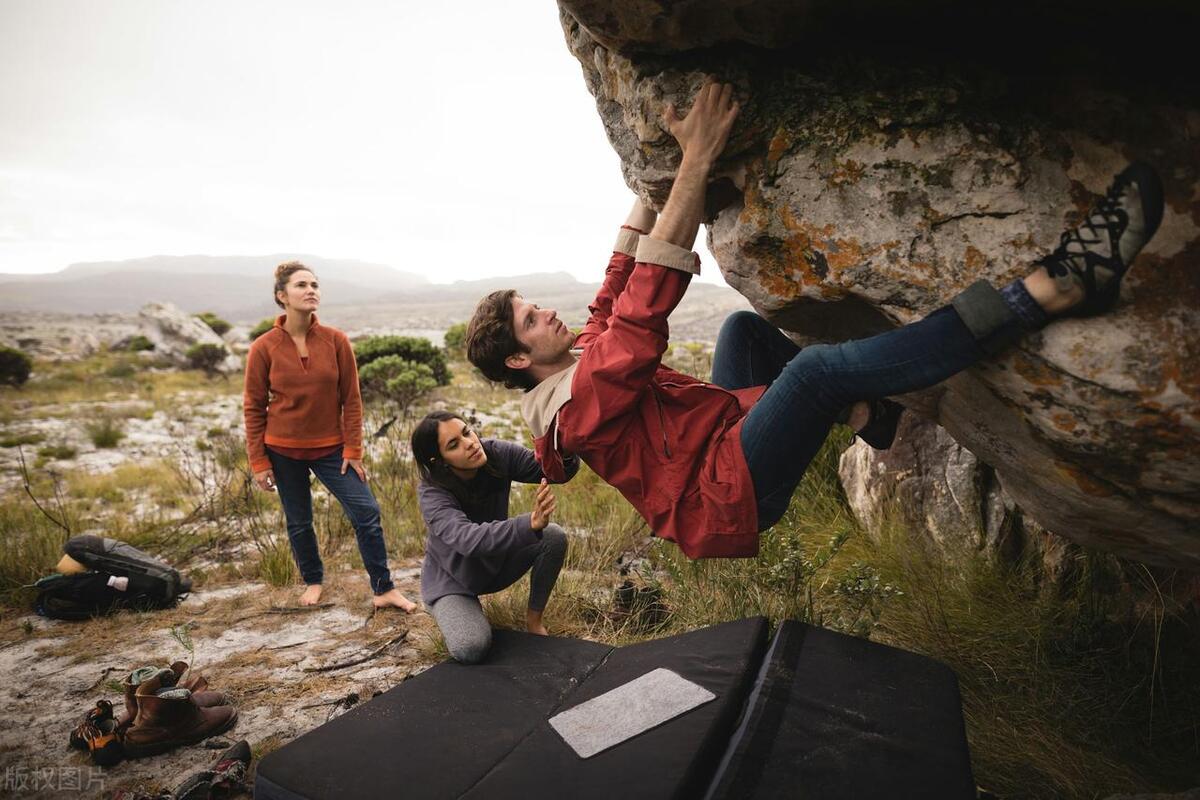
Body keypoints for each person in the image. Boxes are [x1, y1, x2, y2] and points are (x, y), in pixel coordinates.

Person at [463, 81, 1165, 560]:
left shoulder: (574, 359)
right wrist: (698, 157)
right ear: (522, 361)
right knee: (816, 370)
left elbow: (613, 290)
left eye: (533, 303)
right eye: (531, 318)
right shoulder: (577, 408)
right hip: (726, 497)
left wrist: (652, 185)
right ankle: (1048, 291)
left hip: (720, 438)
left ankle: (874, 419)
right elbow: (644, 303)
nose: (546, 311)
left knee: (742, 333)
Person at [244, 261, 418, 610]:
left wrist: (354, 449)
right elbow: (253, 406)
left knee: (366, 512)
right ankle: (313, 580)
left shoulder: (336, 341)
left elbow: (351, 400)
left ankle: (383, 588)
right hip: (282, 449)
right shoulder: (264, 347)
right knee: (299, 521)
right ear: (282, 296)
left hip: (332, 450)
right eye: (301, 285)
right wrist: (258, 461)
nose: (311, 290)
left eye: (314, 285)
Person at [412, 411, 575, 664]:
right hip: (454, 580)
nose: (469, 443)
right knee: (470, 647)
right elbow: (467, 540)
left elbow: (554, 471)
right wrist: (528, 524)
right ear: (439, 461)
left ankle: (534, 622)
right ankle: (449, 610)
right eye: (453, 445)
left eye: (467, 432)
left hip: (497, 563)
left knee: (552, 537)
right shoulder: (432, 492)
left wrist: (563, 442)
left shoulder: (495, 454)